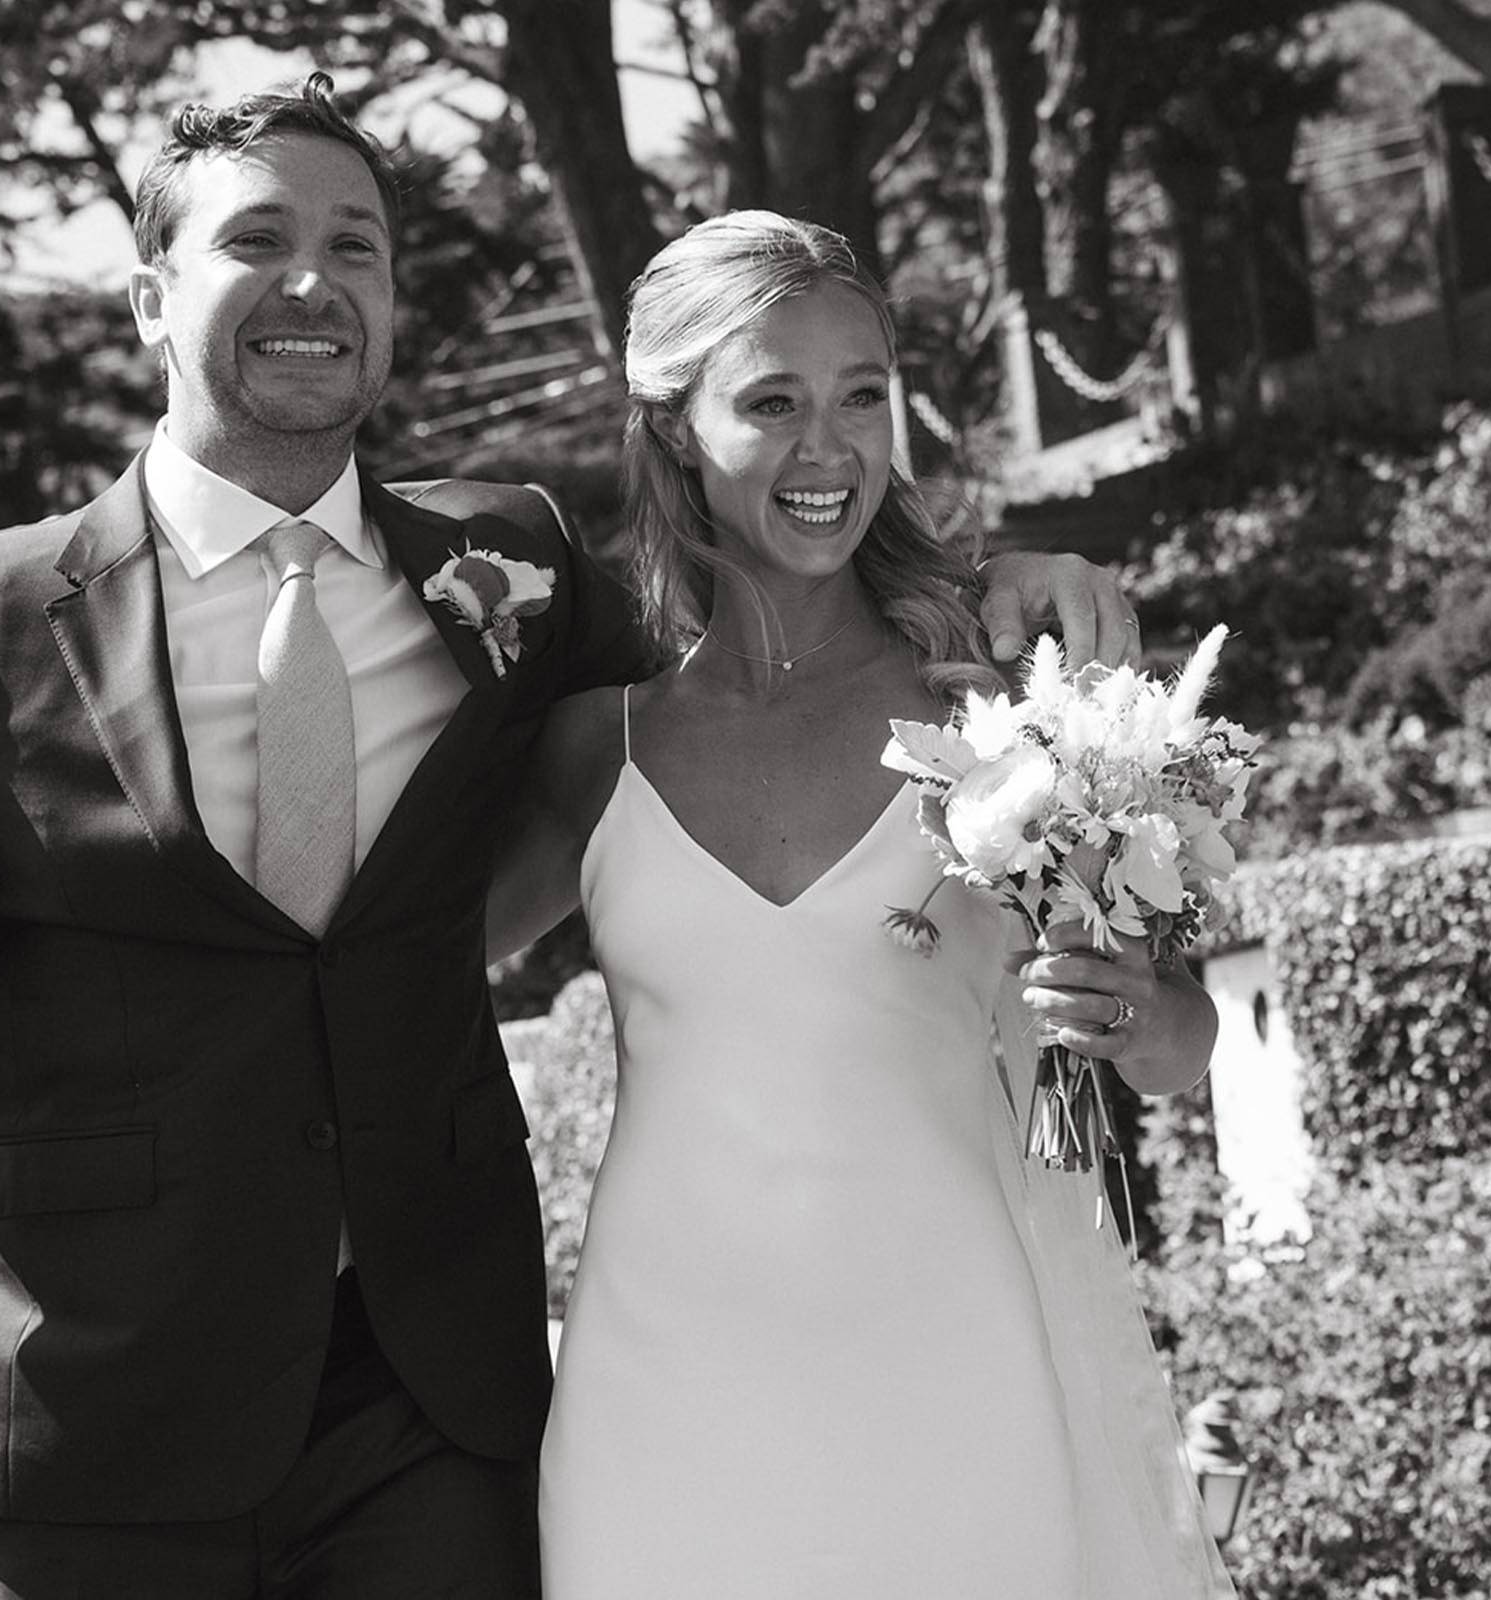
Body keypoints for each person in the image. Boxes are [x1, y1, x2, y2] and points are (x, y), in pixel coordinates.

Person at [0, 79, 1137, 1600]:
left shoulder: (520, 575)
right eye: (257, 238)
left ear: (396, 310)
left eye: (362, 246)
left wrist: (984, 593)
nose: (317, 280)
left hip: (432, 1427)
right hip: (86, 1439)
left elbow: (768, 628)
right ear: (146, 301)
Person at [486, 211, 1237, 1597]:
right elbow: (386, 969)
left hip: (960, 1371)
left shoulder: (1014, 704)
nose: (827, 448)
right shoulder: (595, 747)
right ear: (673, 435)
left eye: (862, 396)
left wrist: (1123, 1007)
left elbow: (1186, 1047)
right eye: (770, 401)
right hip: (663, 1402)